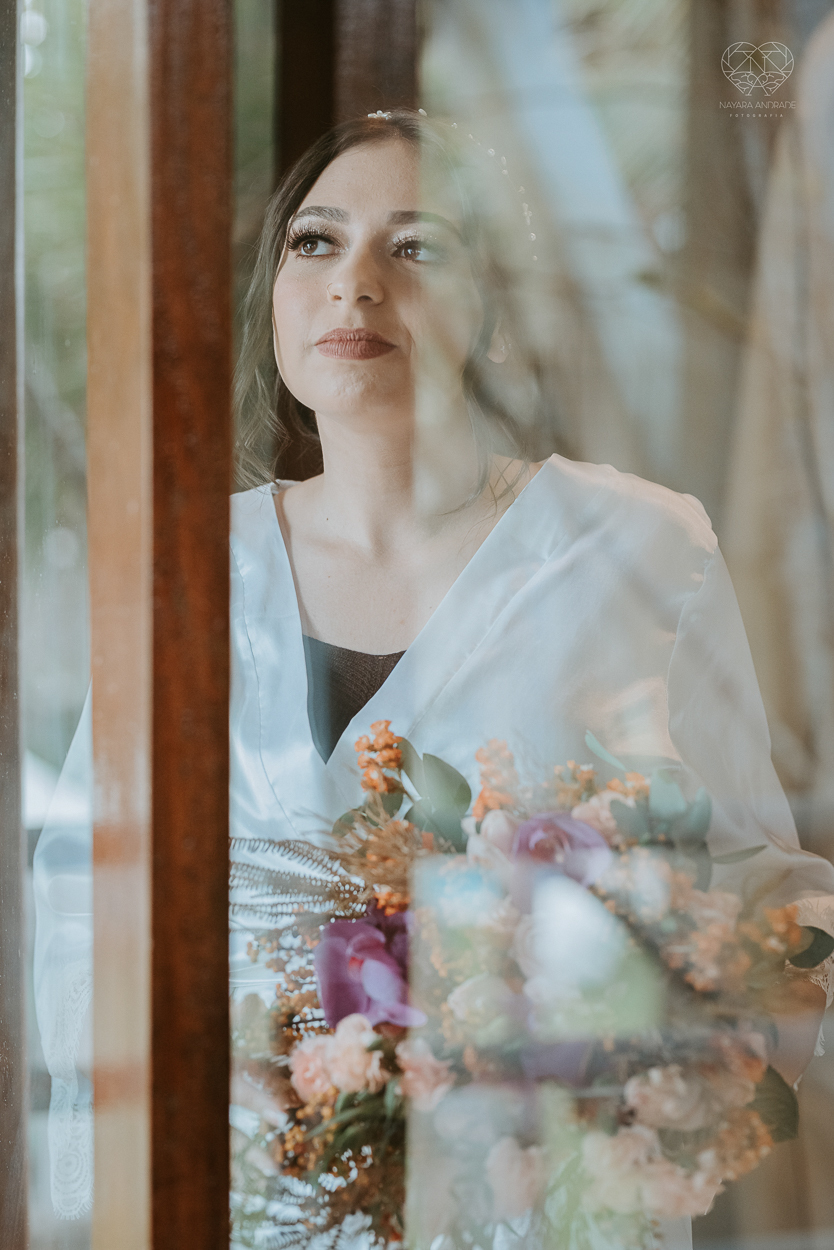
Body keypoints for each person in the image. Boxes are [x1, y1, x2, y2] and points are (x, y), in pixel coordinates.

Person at [227, 110, 834, 1247]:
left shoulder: (639, 548)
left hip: (539, 1203)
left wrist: (647, 1077)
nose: (354, 282)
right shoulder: (188, 569)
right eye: (316, 240)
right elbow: (81, 912)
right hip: (244, 1192)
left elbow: (755, 895)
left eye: (416, 245)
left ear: (498, 310)